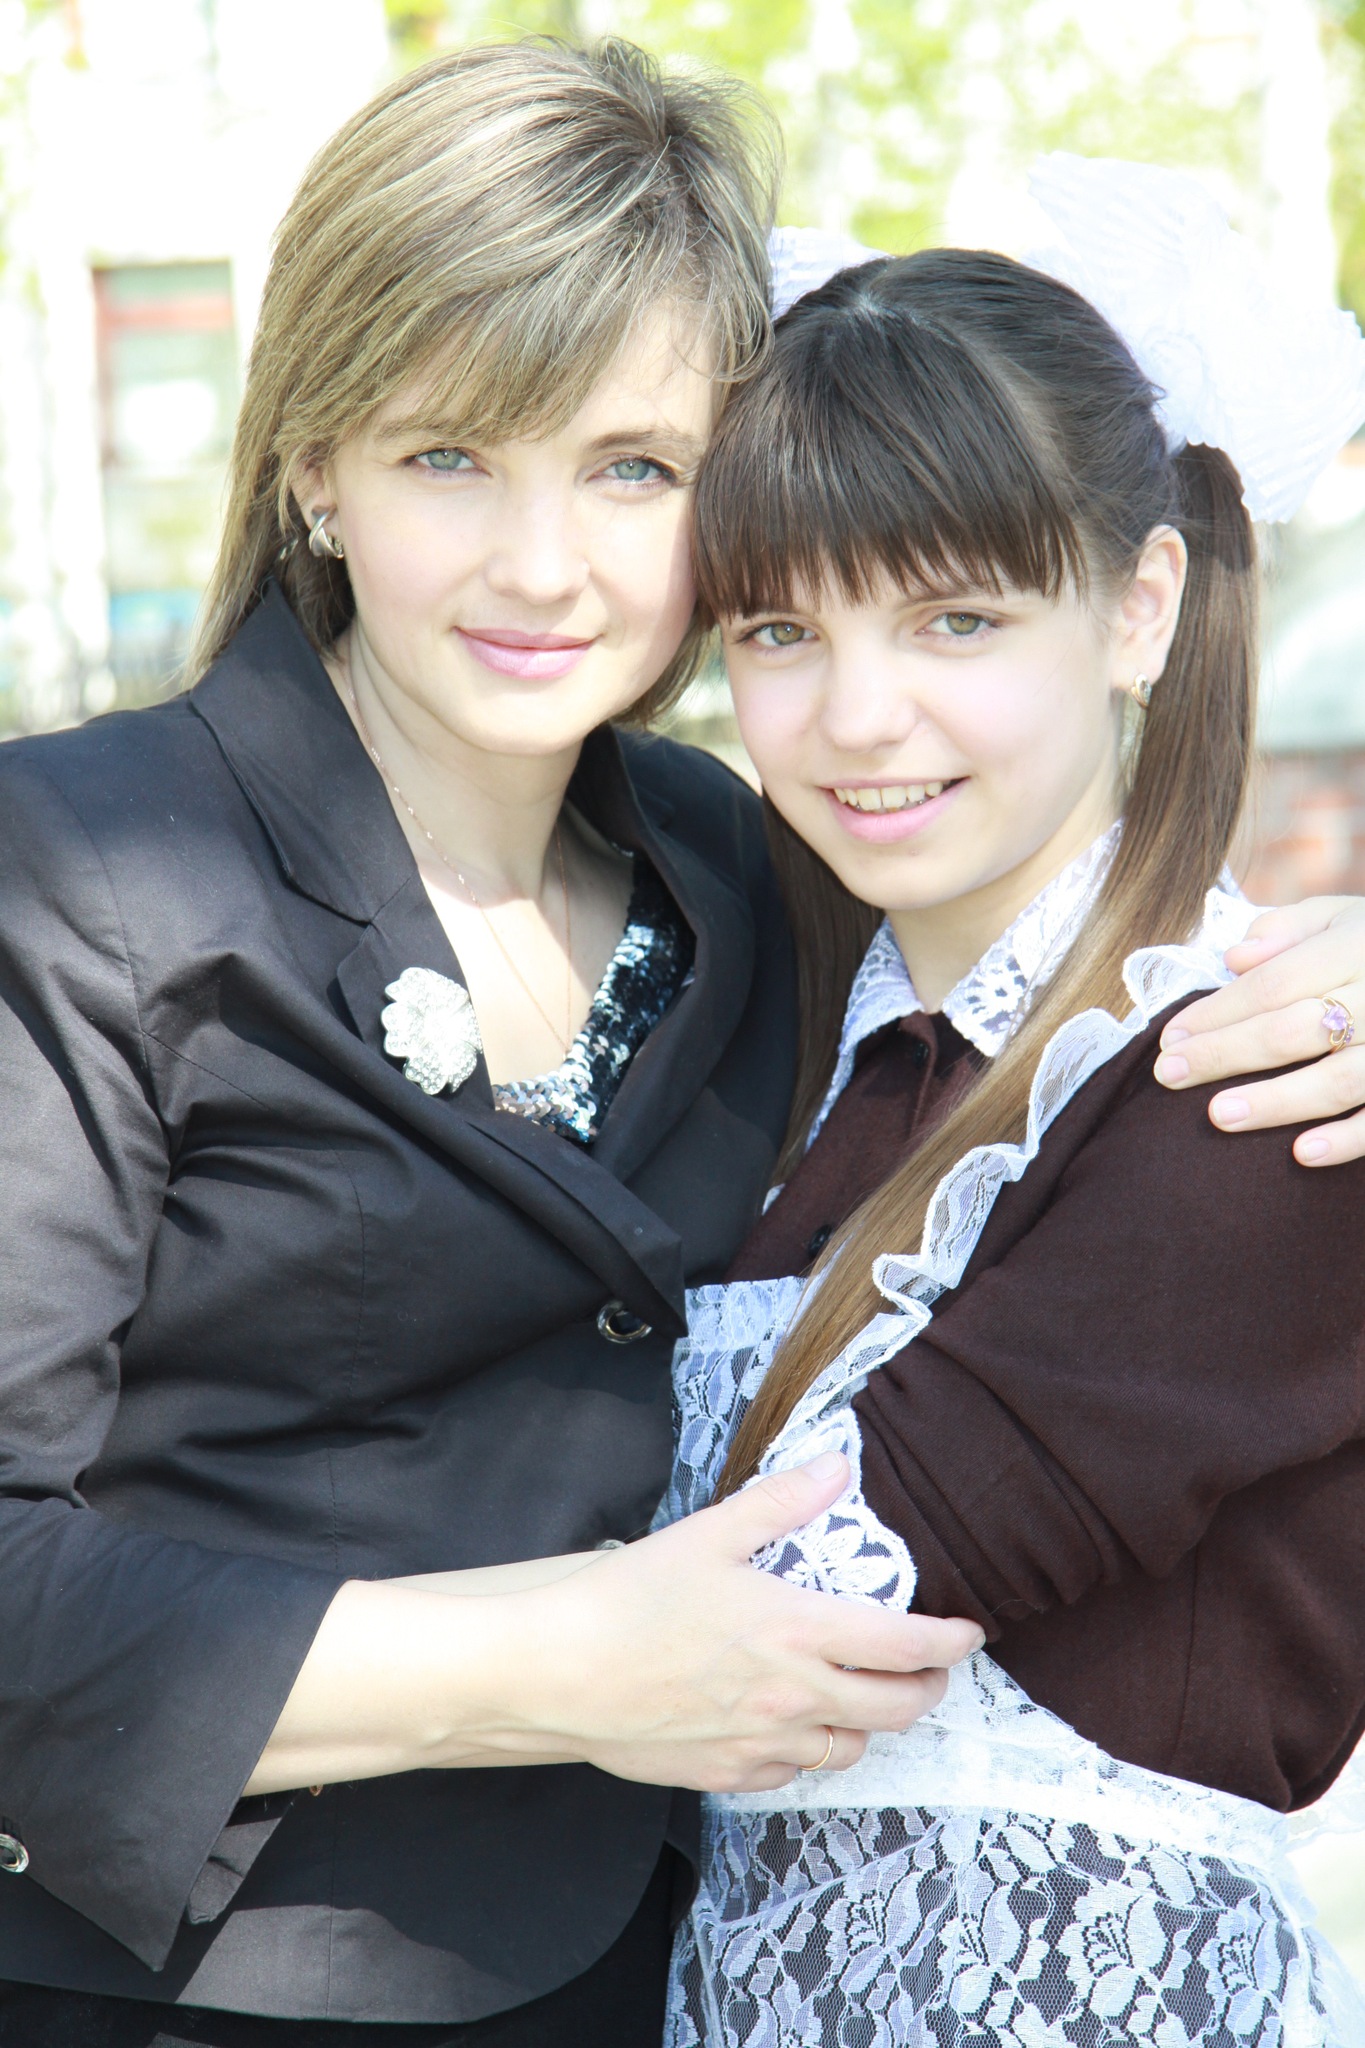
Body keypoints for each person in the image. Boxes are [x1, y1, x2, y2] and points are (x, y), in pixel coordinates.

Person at [0, 43, 1357, 2046]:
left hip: (665, 1981)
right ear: (312, 463)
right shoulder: (84, 867)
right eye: (449, 454)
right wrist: (555, 1658)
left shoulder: (751, 872)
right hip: (192, 1995)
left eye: (633, 468)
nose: (542, 564)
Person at [659, 156, 1365, 2046]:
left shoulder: (1256, 1077)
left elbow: (817, 1604)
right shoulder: (771, 1043)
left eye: (953, 622)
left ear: (1138, 607)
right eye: (779, 631)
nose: (854, 716)